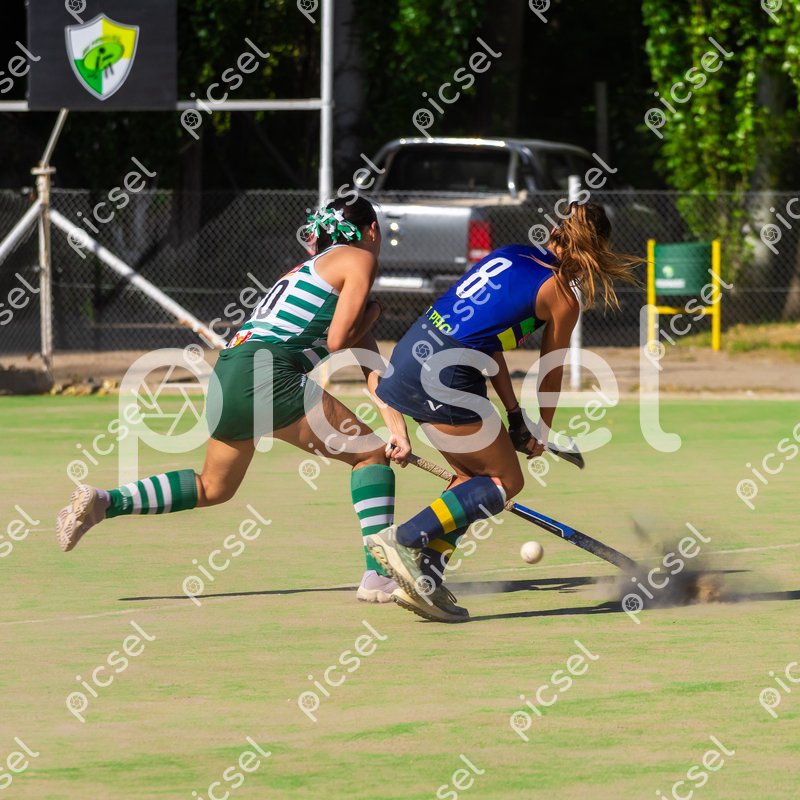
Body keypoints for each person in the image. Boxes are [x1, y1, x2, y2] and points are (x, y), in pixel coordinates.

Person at [56, 197, 411, 604]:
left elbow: (372, 369)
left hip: (229, 371)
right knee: (369, 455)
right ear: (371, 230)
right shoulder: (358, 259)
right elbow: (337, 341)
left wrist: (398, 430)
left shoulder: (316, 273)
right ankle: (378, 576)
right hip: (268, 372)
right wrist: (375, 313)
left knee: (214, 486)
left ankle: (105, 502)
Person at [367, 202, 638, 622]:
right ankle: (403, 538)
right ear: (594, 251)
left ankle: (427, 579)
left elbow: (488, 343)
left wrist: (514, 415)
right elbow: (551, 371)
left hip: (409, 357)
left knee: (470, 480)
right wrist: (541, 431)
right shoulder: (561, 295)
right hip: (447, 375)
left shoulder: (511, 253)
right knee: (505, 481)